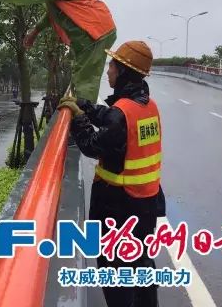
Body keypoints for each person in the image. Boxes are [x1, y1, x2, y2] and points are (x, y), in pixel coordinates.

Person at [59, 41, 165, 307]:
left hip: (118, 207)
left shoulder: (122, 113)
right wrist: (84, 105)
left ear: (124, 72)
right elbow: (112, 118)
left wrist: (78, 117)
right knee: (141, 264)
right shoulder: (147, 106)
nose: (108, 72)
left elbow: (91, 146)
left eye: (112, 66)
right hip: (147, 203)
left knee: (115, 271)